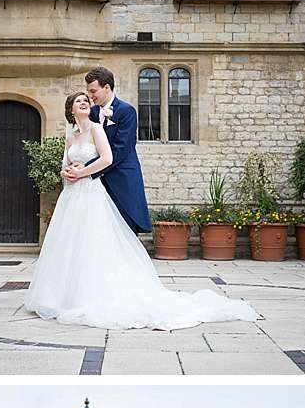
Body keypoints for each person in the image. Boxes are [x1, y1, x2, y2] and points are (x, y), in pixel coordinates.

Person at [23, 85, 260, 331]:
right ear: (70, 111)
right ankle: (63, 295)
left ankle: (95, 294)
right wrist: (67, 173)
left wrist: (82, 172)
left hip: (91, 192)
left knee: (95, 242)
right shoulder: (71, 136)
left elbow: (108, 158)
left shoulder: (96, 128)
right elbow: (66, 162)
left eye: (86, 99)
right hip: (72, 195)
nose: (84, 102)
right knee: (70, 244)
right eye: (79, 101)